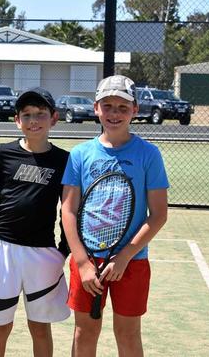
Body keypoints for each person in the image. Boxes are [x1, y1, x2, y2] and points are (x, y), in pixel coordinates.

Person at [61, 75, 169, 357]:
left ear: (135, 110)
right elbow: (68, 210)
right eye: (107, 106)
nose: (114, 113)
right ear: (96, 108)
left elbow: (158, 215)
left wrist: (125, 256)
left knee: (128, 333)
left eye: (122, 107)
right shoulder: (80, 154)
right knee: (84, 331)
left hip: (132, 262)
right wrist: (83, 263)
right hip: (88, 259)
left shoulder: (149, 154)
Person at [0, 87, 71, 357]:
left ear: (54, 118)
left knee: (40, 328)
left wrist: (63, 251)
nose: (33, 120)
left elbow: (69, 210)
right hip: (3, 252)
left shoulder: (64, 160)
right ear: (17, 120)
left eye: (40, 114)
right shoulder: (3, 154)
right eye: (26, 115)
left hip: (43, 255)